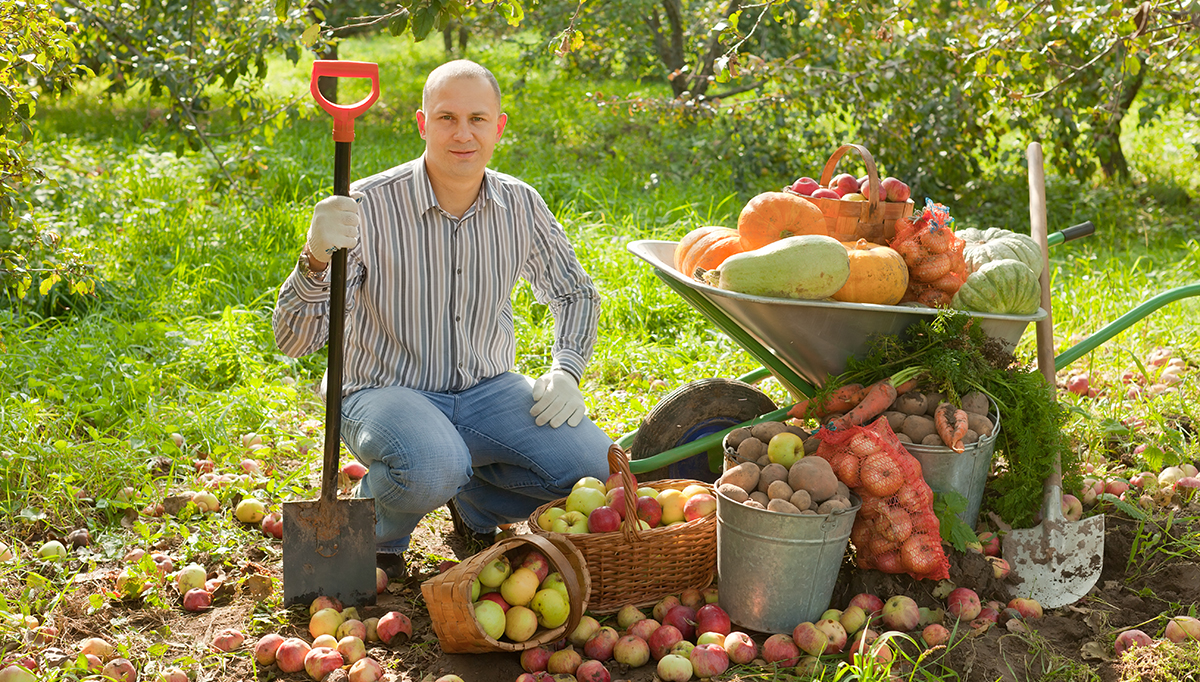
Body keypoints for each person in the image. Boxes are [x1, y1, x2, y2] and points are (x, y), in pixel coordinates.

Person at [273, 59, 613, 577]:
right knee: (433, 464)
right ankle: (375, 533)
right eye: (446, 117)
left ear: (498, 126)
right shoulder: (366, 206)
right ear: (422, 124)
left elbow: (574, 293)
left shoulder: (520, 205)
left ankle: (474, 499)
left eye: (478, 119)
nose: (463, 133)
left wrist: (566, 369)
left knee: (592, 469)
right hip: (384, 389)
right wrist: (315, 257)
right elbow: (292, 342)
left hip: (487, 391)